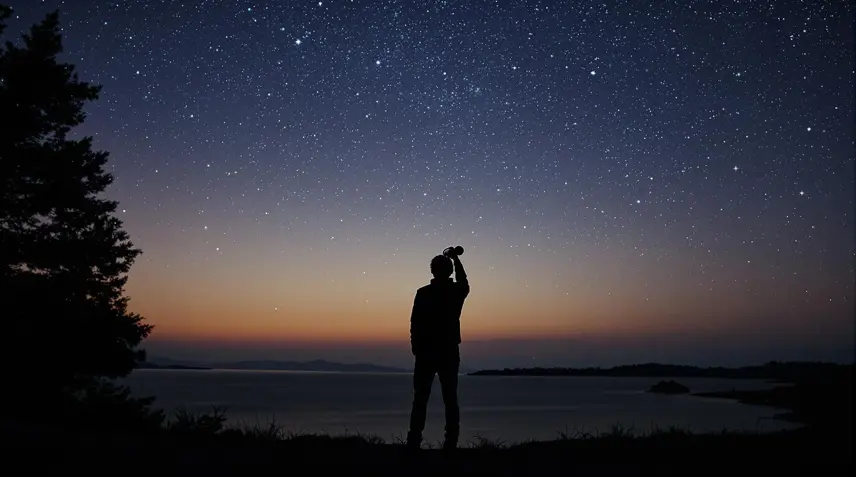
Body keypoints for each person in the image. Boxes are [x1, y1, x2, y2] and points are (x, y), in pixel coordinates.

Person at [407, 248, 470, 450]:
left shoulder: (423, 293)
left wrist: (415, 346)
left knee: (421, 399)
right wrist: (457, 259)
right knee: (450, 398)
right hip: (447, 351)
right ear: (449, 270)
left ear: (433, 271)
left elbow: (414, 322)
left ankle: (414, 441)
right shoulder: (455, 291)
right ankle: (450, 442)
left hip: (427, 351)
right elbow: (464, 282)